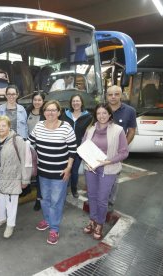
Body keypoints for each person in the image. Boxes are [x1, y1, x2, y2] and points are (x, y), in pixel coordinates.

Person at [28, 100, 77, 245]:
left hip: (60, 172)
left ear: (59, 112)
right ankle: (48, 220)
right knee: (44, 199)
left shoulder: (66, 127)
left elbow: (73, 150)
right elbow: (29, 143)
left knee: (56, 201)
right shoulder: (38, 126)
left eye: (53, 110)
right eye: (47, 110)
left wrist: (68, 168)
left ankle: (54, 228)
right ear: (44, 112)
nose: (50, 113)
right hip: (43, 172)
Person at [82, 103, 129, 240]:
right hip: (91, 168)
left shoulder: (118, 130)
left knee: (102, 199)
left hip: (108, 169)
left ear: (109, 114)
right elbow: (83, 146)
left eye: (104, 113)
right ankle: (92, 220)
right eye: (98, 113)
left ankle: (99, 224)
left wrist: (108, 161)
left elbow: (124, 152)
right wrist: (89, 161)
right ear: (95, 115)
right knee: (92, 196)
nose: (101, 116)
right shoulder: (90, 129)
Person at [0, 116, 31, 238]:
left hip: (12, 177)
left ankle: (10, 224)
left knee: (11, 202)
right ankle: (1, 219)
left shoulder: (17, 140)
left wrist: (25, 179)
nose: (1, 128)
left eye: (4, 125)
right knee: (0, 199)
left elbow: (26, 160)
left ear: (9, 126)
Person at [106, 85, 137, 210]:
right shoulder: (101, 108)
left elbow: (131, 131)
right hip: (99, 149)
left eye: (116, 94)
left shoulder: (130, 111)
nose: (113, 97)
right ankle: (98, 198)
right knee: (98, 174)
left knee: (114, 177)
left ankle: (110, 202)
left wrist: (122, 148)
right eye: (110, 94)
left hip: (117, 151)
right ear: (106, 96)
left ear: (121, 95)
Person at [60, 94, 92, 198]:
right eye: (73, 101)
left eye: (77, 101)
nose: (75, 103)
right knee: (64, 169)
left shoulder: (88, 116)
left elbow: (89, 133)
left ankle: (74, 189)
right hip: (64, 148)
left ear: (81, 102)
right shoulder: (65, 115)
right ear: (71, 103)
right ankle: (63, 189)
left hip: (78, 149)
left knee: (74, 170)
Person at [25, 92, 46, 210]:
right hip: (28, 146)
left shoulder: (46, 113)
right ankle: (26, 189)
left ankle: (38, 198)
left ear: (43, 101)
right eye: (35, 100)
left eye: (39, 100)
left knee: (39, 174)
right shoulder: (26, 112)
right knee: (27, 170)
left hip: (41, 148)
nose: (37, 102)